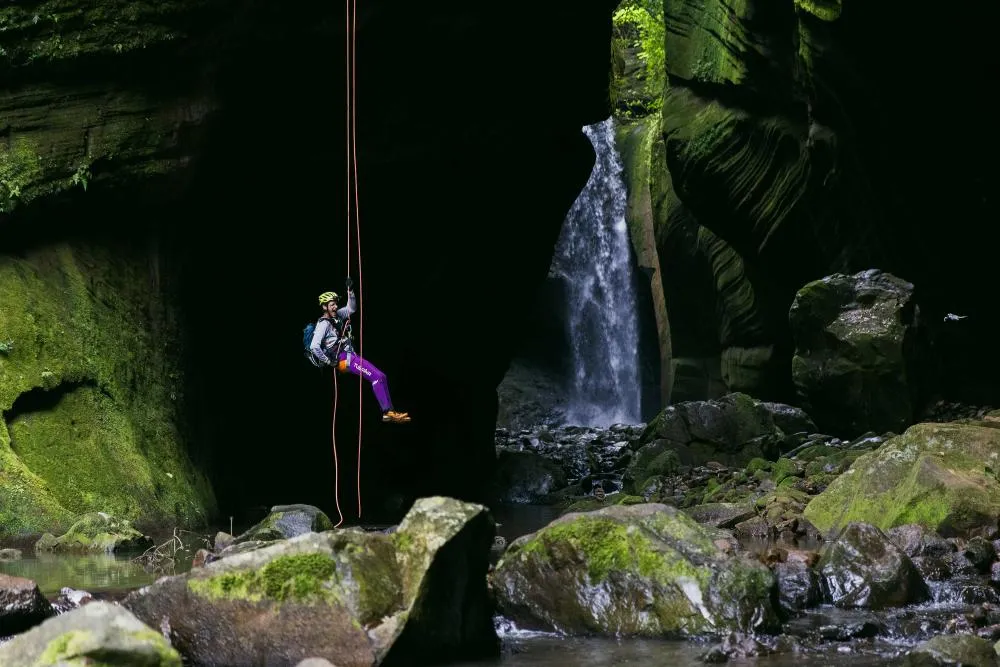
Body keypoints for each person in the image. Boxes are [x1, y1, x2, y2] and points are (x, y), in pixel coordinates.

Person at [310, 280, 411, 423]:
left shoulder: (337, 316)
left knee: (382, 377)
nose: (335, 306)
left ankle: (390, 411)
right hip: (344, 359)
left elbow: (351, 309)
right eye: (332, 304)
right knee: (377, 377)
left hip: (350, 356)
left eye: (335, 304)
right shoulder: (323, 324)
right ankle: (386, 412)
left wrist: (350, 292)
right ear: (324, 307)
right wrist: (329, 361)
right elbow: (314, 346)